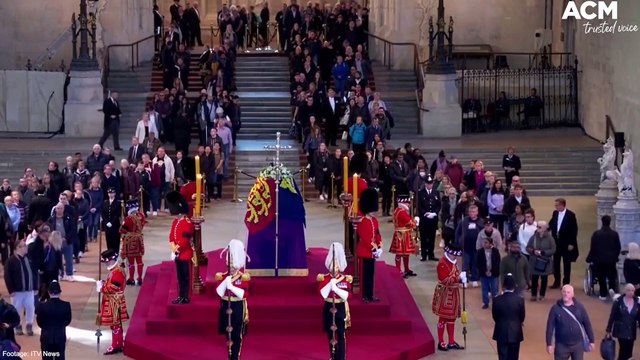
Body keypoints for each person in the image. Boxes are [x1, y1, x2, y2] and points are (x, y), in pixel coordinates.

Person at [215, 239, 250, 360]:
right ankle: (229, 355)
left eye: (233, 266)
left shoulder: (243, 277)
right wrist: (226, 281)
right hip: (225, 305)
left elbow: (245, 294)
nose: (231, 268)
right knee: (227, 334)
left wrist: (232, 288)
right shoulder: (223, 276)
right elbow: (219, 292)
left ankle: (235, 356)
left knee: (236, 334)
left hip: (237, 307)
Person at [317, 242, 352, 360]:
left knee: (341, 334)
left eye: (336, 266)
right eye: (333, 266)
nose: (334, 269)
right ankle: (332, 356)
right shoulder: (324, 277)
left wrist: (335, 287)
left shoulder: (345, 279)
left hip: (340, 308)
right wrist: (329, 285)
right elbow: (322, 294)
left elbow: (347, 295)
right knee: (330, 334)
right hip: (328, 307)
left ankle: (341, 357)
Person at [545, 285, 595, 359]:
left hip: (577, 345)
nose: (566, 294)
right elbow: (550, 327)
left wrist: (591, 340)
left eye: (568, 292)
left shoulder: (580, 308)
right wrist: (549, 343)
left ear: (572, 294)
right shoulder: (555, 309)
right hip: (561, 345)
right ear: (562, 293)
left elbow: (587, 324)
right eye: (564, 292)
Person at [432, 244, 465, 351]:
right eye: (454, 255)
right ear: (449, 253)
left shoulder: (453, 263)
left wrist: (460, 279)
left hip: (453, 292)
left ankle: (451, 341)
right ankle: (441, 342)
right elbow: (444, 279)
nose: (455, 258)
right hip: (445, 294)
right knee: (443, 317)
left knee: (452, 317)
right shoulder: (442, 263)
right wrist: (458, 278)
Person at [97, 249, 129, 355]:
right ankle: (118, 344)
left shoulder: (117, 271)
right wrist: (103, 282)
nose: (105, 263)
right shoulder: (114, 269)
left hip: (114, 301)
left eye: (106, 261)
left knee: (115, 324)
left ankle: (115, 345)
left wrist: (101, 288)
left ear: (111, 260)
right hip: (113, 300)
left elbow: (112, 288)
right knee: (116, 324)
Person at [4, 238, 37, 336]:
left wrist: (35, 286)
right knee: (16, 309)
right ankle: (17, 326)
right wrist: (11, 290)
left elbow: (34, 273)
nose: (26, 247)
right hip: (17, 291)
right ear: (17, 248)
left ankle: (29, 325)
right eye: (23, 246)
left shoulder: (29, 258)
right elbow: (7, 276)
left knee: (30, 308)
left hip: (29, 290)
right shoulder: (11, 261)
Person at [167, 191, 194, 304]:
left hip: (185, 253)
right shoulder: (175, 221)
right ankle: (180, 295)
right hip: (178, 254)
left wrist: (177, 250)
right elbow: (171, 236)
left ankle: (185, 296)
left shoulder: (187, 222)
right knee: (179, 277)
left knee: (186, 277)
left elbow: (185, 240)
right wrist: (173, 249)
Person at [585, 215, 621, 300]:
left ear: (602, 222)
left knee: (601, 276)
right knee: (612, 276)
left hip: (599, 259)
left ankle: (603, 293)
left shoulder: (596, 234)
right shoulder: (614, 234)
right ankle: (612, 290)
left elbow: (593, 248)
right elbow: (618, 247)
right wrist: (615, 256)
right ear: (610, 222)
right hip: (611, 260)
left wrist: (589, 258)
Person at [356, 188, 382, 303]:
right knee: (365, 275)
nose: (373, 211)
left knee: (371, 275)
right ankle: (365, 295)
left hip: (372, 253)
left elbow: (377, 234)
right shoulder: (362, 221)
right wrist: (374, 248)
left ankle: (370, 294)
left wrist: (380, 246)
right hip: (365, 251)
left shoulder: (374, 220)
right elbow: (366, 239)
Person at [492, 274, 525, 360]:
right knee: (514, 357)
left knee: (502, 356)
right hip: (515, 332)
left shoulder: (497, 300)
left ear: (504, 286)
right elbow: (522, 317)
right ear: (514, 287)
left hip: (501, 331)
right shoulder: (520, 300)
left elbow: (495, 316)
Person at [36, 281, 72, 360]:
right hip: (60, 337)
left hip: (46, 337)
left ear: (49, 292)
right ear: (60, 292)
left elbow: (39, 322)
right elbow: (68, 321)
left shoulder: (42, 306)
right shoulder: (66, 305)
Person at [549, 198, 579, 289]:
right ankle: (557, 281)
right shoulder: (555, 213)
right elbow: (551, 224)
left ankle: (566, 282)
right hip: (556, 242)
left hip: (566, 243)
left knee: (566, 264)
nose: (555, 207)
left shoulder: (571, 215)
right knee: (556, 263)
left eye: (557, 205)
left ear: (562, 205)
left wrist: (571, 243)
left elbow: (574, 230)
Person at [606, 283, 640, 360]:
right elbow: (612, 316)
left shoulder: (637, 303)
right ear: (625, 291)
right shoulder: (618, 302)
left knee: (629, 352)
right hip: (621, 331)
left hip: (631, 331)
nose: (631, 292)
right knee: (623, 351)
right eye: (629, 290)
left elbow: (638, 317)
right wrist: (608, 329)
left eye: (632, 291)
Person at [119, 200, 146, 286]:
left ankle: (131, 278)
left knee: (130, 262)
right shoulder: (141, 216)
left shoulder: (128, 218)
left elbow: (122, 230)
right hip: (139, 240)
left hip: (130, 241)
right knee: (139, 261)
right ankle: (140, 278)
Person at [389, 199, 417, 278]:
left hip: (399, 233)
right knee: (400, 253)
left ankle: (405, 269)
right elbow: (409, 223)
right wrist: (415, 222)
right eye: (407, 204)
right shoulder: (402, 212)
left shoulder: (397, 210)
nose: (408, 205)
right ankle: (399, 270)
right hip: (403, 234)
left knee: (404, 253)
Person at [417, 174, 441, 262]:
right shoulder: (420, 192)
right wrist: (425, 213)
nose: (429, 185)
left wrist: (435, 213)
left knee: (432, 237)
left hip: (433, 218)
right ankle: (424, 254)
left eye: (431, 183)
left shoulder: (436, 192)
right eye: (428, 183)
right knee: (423, 237)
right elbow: (419, 205)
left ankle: (431, 254)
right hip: (424, 218)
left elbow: (439, 204)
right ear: (425, 184)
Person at [475, 236, 501, 309]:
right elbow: (478, 263)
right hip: (484, 273)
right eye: (484, 242)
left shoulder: (495, 251)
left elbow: (498, 262)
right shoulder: (480, 252)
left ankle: (495, 303)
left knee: (494, 290)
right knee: (484, 289)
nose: (484, 244)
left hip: (493, 273)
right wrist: (484, 271)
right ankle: (485, 303)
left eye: (486, 243)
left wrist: (491, 271)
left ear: (491, 244)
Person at [101, 188, 122, 252]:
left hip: (115, 224)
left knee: (115, 239)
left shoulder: (118, 203)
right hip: (107, 225)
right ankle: (109, 253)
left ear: (115, 194)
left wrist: (112, 222)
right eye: (109, 193)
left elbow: (117, 214)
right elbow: (103, 213)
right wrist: (106, 222)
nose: (110, 194)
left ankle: (115, 253)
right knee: (108, 239)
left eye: (112, 193)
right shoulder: (105, 202)